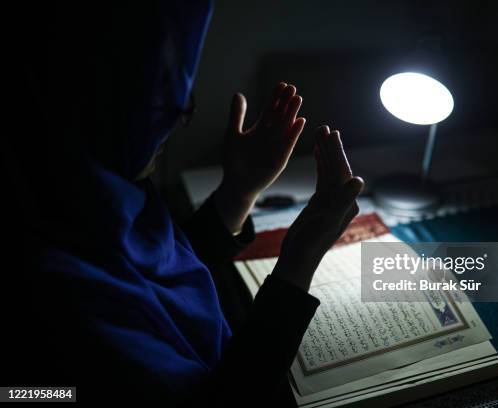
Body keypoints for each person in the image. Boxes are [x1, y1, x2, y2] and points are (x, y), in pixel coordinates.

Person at [3, 2, 363, 406]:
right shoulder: (57, 296)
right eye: (159, 101)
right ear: (91, 95)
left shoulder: (86, 186)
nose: (177, 121)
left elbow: (152, 272)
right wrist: (299, 259)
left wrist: (239, 192)